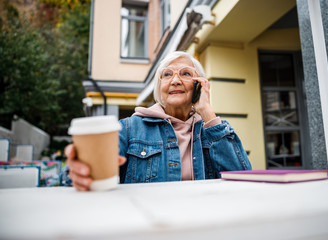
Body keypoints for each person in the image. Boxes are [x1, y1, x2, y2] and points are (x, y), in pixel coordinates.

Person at [63, 51, 251, 191]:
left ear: (199, 84)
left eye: (185, 73)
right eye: (167, 74)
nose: (175, 80)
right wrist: (82, 168)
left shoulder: (213, 129)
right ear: (159, 86)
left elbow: (243, 179)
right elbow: (83, 178)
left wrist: (207, 112)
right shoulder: (129, 129)